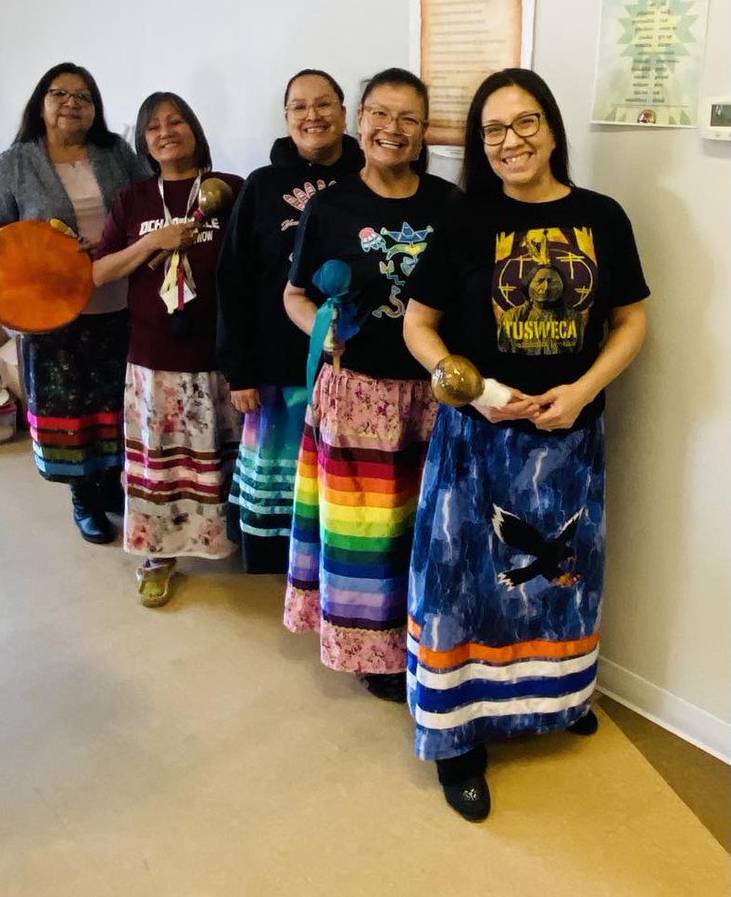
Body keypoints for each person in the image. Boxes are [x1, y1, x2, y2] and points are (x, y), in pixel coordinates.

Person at [403, 68, 649, 821]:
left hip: (569, 442)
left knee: (557, 581)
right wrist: (475, 389)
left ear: (550, 128)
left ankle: (553, 699)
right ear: (481, 144)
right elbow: (418, 325)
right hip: (477, 441)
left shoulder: (602, 217)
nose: (511, 141)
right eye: (493, 130)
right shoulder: (464, 219)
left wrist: (580, 391)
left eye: (525, 122)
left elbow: (632, 320)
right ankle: (456, 740)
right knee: (463, 586)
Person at [283, 68, 459, 701]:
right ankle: (371, 652)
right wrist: (322, 332)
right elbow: (296, 293)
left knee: (425, 523)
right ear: (360, 121)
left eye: (408, 119)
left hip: (434, 393)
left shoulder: (448, 203)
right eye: (381, 115)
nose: (392, 129)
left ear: (423, 131)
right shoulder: (329, 207)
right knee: (366, 532)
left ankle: (421, 637)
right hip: (358, 394)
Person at [0, 62, 149, 544]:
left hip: (119, 299)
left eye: (84, 96)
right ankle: (83, 498)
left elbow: (148, 203)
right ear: (41, 104)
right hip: (49, 310)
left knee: (115, 400)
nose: (72, 102)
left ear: (96, 109)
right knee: (68, 408)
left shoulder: (115, 153)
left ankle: (111, 485)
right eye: (60, 93)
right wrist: (42, 241)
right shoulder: (15, 162)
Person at [93, 92, 243, 606]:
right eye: (153, 126)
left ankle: (228, 540)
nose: (165, 132)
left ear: (195, 129)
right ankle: (157, 555)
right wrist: (152, 244)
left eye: (175, 121)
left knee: (224, 456)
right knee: (159, 464)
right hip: (154, 359)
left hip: (219, 357)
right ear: (143, 142)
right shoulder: (134, 199)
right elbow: (99, 271)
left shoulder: (232, 190)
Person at [216, 69, 363, 573]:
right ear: (286, 118)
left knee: (347, 484)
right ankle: (286, 571)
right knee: (284, 484)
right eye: (299, 106)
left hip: (355, 369)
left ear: (346, 113)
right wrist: (241, 371)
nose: (312, 116)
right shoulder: (261, 186)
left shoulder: (371, 179)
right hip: (278, 370)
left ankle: (336, 568)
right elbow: (233, 281)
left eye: (324, 104)